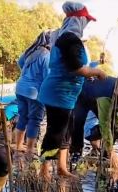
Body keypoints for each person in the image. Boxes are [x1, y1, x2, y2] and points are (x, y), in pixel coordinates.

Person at [37, 1, 107, 179]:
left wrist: (87, 73)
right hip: (58, 94)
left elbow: (74, 67)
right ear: (79, 20)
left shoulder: (66, 37)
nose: (86, 24)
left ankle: (61, 167)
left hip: (65, 95)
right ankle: (44, 170)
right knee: (55, 133)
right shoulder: (70, 39)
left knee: (66, 131)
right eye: (85, 21)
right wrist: (96, 72)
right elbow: (76, 68)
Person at [70, 77, 118, 168]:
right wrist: (111, 152)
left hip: (102, 97)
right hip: (84, 95)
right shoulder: (106, 95)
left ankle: (105, 153)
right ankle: (76, 152)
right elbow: (105, 123)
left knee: (114, 129)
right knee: (78, 121)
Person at [14, 29, 59, 165]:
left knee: (23, 117)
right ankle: (28, 150)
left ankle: (18, 146)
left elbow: (20, 62)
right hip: (35, 92)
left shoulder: (31, 51)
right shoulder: (46, 55)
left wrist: (27, 74)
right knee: (34, 120)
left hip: (20, 88)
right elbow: (47, 76)